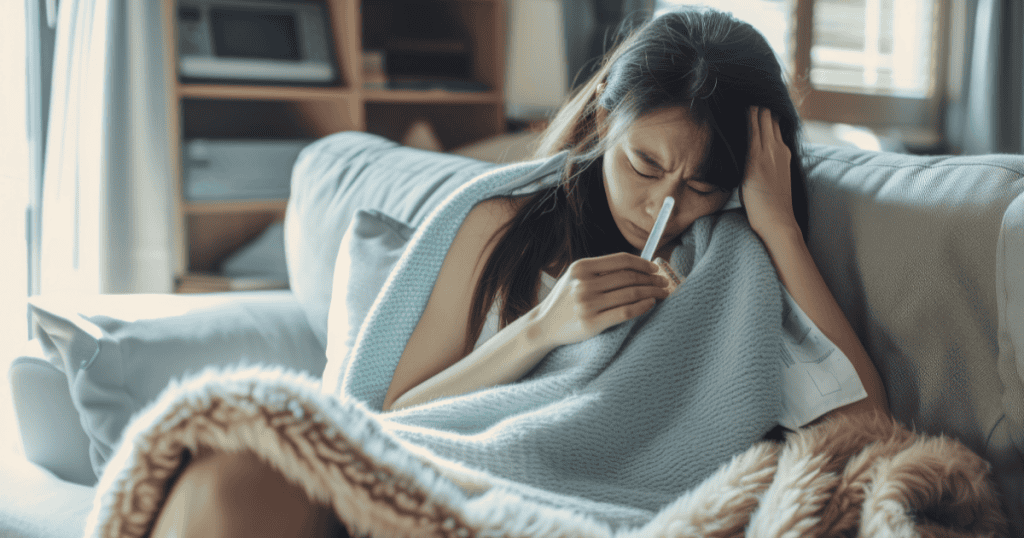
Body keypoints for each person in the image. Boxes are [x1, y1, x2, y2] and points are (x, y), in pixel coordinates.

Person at [151, 6, 889, 537]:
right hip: (433, 475)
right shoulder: (501, 225)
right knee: (234, 468)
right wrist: (540, 330)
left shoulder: (740, 271)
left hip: (581, 509)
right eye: (644, 163)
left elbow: (867, 427)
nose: (666, 203)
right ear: (605, 121)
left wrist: (780, 227)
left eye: (703, 187)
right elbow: (392, 417)